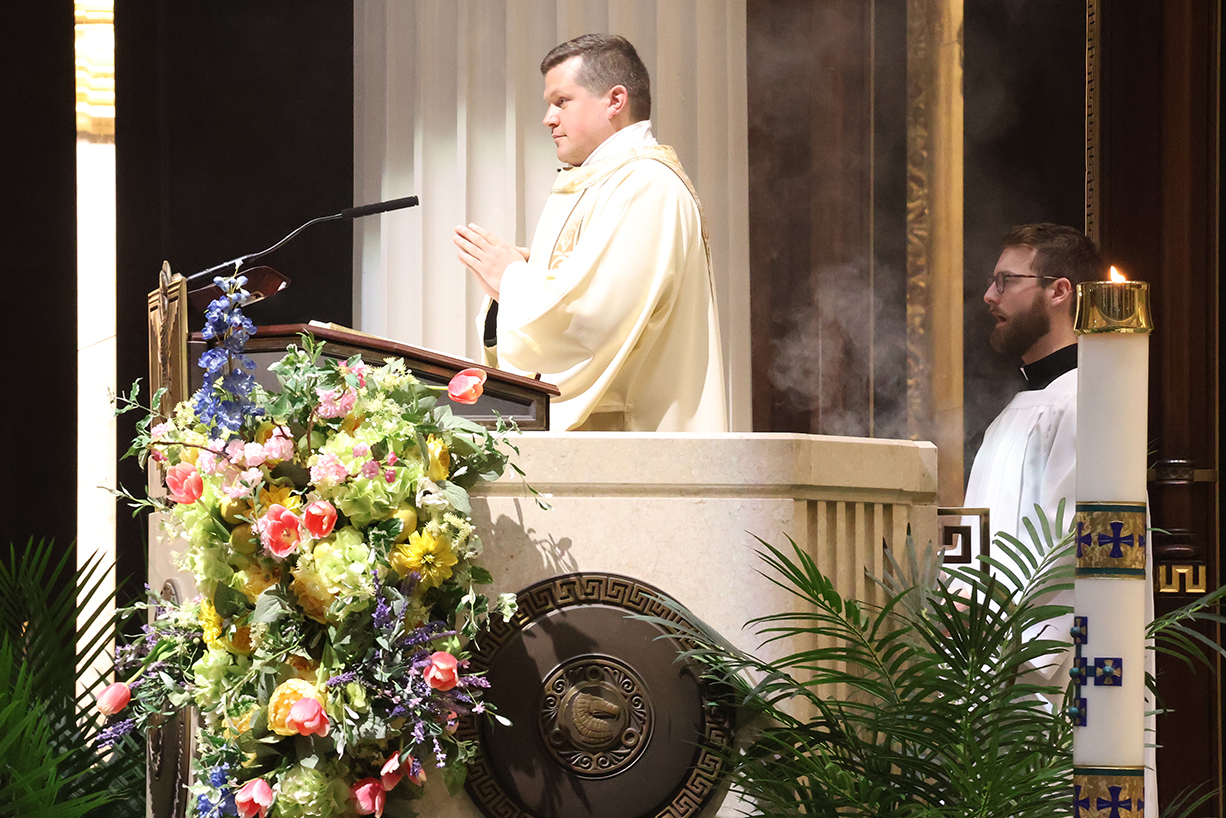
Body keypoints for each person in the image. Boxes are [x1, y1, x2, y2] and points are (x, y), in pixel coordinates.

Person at [453, 34, 727, 432]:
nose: (548, 118)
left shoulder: (646, 185)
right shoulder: (599, 181)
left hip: (633, 440)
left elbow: (593, 320)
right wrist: (510, 291)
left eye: (562, 101)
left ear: (615, 101)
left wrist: (512, 279)